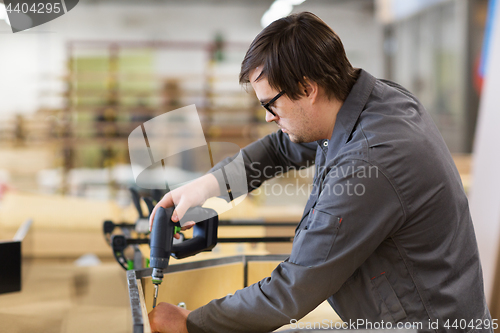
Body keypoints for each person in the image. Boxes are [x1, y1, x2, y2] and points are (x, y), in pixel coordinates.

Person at [148, 12, 492, 333]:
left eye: (271, 104)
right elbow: (280, 149)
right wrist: (207, 187)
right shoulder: (367, 103)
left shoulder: (370, 162)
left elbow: (294, 289)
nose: (268, 116)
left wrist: (192, 322)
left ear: (308, 88)